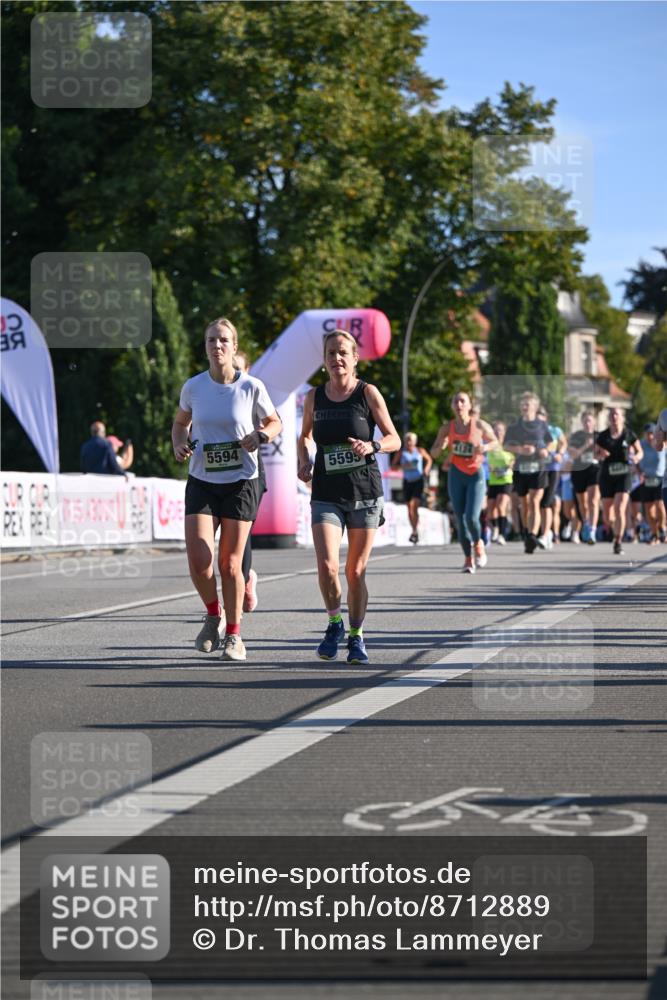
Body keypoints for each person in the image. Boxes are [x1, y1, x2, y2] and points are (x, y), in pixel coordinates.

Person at [172, 317, 281, 660]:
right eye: (210, 341)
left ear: (234, 347)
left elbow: (274, 421)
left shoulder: (251, 387)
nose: (216, 346)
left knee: (230, 565)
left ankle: (234, 635)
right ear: (205, 347)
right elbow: (180, 423)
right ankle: (212, 614)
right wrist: (179, 443)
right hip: (203, 480)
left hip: (240, 482)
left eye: (223, 340)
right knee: (200, 562)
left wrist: (261, 435)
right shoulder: (193, 387)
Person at [297, 330, 400, 665]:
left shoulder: (367, 393)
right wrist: (303, 459)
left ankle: (356, 636)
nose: (336, 359)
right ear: (324, 359)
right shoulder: (314, 397)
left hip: (364, 494)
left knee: (355, 572)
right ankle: (334, 623)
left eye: (343, 352)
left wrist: (372, 445)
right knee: (328, 566)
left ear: (355, 358)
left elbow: (394, 438)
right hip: (326, 492)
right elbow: (305, 436)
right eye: (330, 353)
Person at [431, 391, 497, 573]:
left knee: (471, 517)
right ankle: (468, 559)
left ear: (469, 405)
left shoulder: (480, 425)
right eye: (456, 401)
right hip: (456, 474)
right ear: (452, 406)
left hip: (475, 474)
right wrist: (441, 446)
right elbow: (433, 452)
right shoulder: (447, 428)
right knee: (460, 519)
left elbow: (495, 442)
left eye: (463, 401)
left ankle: (478, 544)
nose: (459, 405)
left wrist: (484, 447)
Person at [505, 393, 553, 554]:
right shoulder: (514, 427)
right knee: (524, 504)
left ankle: (532, 535)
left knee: (534, 501)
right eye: (523, 404)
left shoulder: (542, 425)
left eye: (528, 404)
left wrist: (546, 451)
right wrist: (520, 449)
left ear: (535, 407)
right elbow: (505, 446)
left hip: (538, 467)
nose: (524, 407)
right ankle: (527, 532)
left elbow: (552, 442)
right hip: (520, 468)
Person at [234, 348, 262, 611]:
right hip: (213, 475)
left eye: (239, 368)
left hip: (249, 472)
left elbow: (274, 424)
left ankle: (243, 582)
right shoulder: (208, 391)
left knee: (243, 534)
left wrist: (259, 435)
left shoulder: (254, 392)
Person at [595, 407, 643, 555]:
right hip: (607, 476)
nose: (614, 417)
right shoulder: (603, 436)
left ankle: (618, 540)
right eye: (611, 414)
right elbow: (595, 454)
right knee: (608, 515)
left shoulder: (629, 434)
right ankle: (613, 528)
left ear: (622, 417)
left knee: (620, 507)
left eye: (616, 414)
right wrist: (600, 454)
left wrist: (636, 458)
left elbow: (640, 451)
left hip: (624, 474)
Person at [391, 432, 432, 544]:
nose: (409, 442)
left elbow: (429, 459)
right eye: (407, 440)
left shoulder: (420, 451)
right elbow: (393, 466)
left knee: (415, 504)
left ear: (415, 442)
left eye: (411, 440)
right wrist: (403, 466)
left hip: (418, 480)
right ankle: (414, 531)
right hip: (407, 481)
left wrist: (426, 469)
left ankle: (414, 531)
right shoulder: (401, 453)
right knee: (409, 507)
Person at [568, 411, 601, 544]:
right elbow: (573, 455)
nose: (588, 423)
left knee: (593, 500)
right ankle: (586, 522)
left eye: (590, 420)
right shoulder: (576, 436)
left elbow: (606, 453)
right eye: (585, 421)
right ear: (582, 422)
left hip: (595, 470)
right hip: (579, 470)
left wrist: (600, 453)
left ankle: (592, 530)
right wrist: (585, 446)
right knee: (582, 502)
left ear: (594, 422)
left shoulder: (600, 436)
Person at [537, 406, 566, 549]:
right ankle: (543, 532)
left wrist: (560, 453)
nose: (539, 418)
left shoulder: (555, 430)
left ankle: (546, 533)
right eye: (537, 416)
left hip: (552, 469)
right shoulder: (532, 432)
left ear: (546, 417)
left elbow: (563, 443)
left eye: (541, 415)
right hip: (538, 469)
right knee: (538, 502)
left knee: (546, 501)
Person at [636, 423, 666, 544]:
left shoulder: (663, 444)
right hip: (646, 479)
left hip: (660, 478)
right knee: (649, 510)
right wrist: (639, 472)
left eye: (652, 433)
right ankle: (654, 534)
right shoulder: (641, 445)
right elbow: (635, 460)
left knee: (660, 506)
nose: (650, 436)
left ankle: (662, 528)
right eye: (647, 434)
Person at [486, 420, 514, 544]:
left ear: (505, 432)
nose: (498, 433)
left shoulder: (509, 445)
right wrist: (492, 468)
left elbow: (513, 460)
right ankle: (496, 528)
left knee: (501, 506)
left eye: (500, 430)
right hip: (493, 480)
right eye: (496, 430)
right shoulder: (490, 445)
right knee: (491, 508)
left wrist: (508, 467)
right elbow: (487, 460)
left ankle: (502, 534)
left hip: (506, 480)